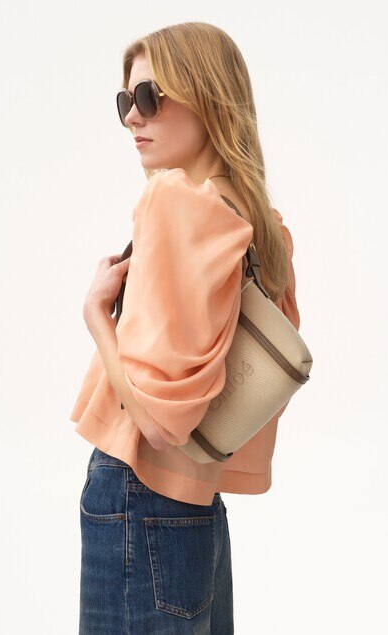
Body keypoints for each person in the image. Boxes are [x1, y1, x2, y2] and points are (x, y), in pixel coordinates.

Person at [70, 21, 301, 634]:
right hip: (197, 506)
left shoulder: (174, 202)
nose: (131, 117)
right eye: (125, 100)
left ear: (207, 96)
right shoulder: (263, 227)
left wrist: (97, 319)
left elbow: (156, 420)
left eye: (150, 97)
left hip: (135, 493)